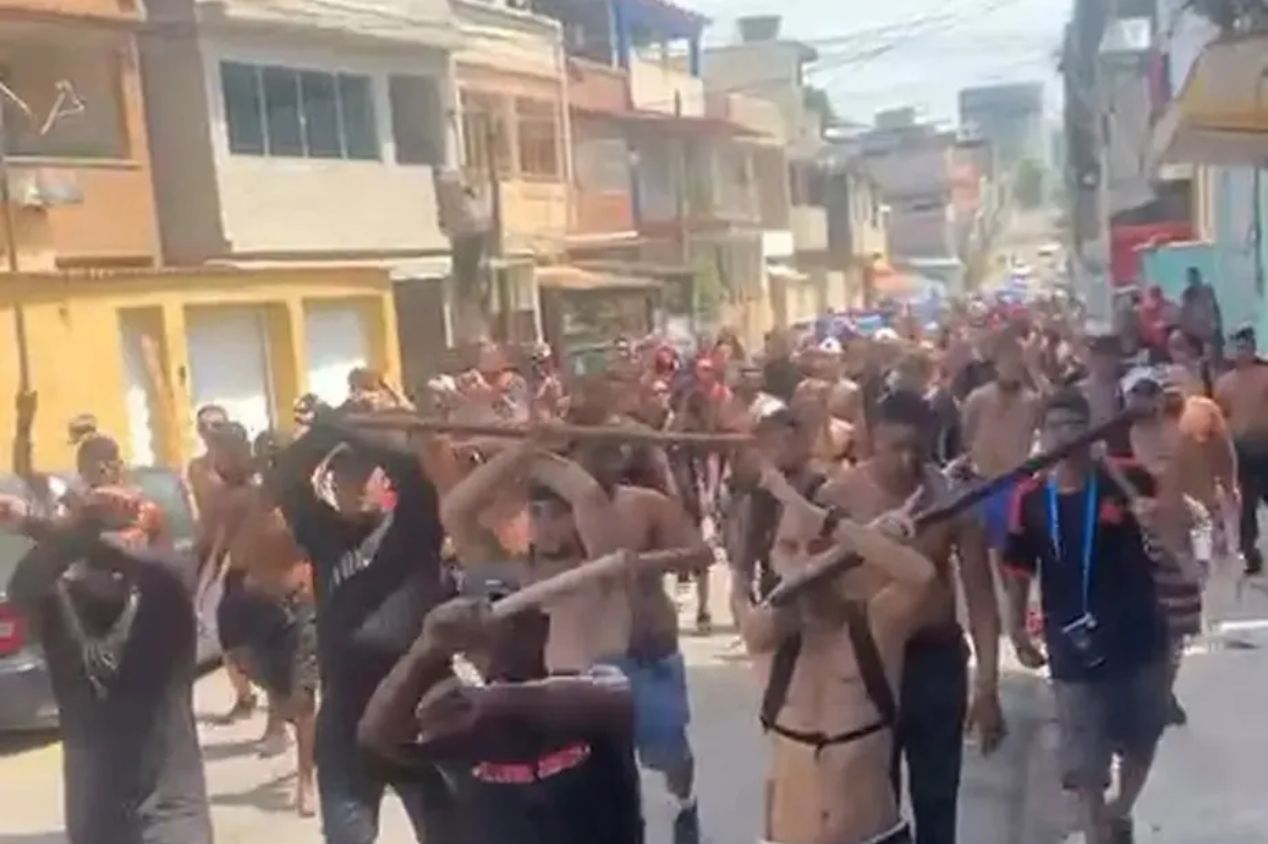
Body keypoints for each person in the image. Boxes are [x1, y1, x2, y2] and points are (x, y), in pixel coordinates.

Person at [819, 391, 1003, 844]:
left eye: (915, 450)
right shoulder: (838, 497)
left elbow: (981, 597)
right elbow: (814, 590)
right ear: (871, 439)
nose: (905, 461)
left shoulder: (950, 499)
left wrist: (988, 685)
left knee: (938, 797)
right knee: (873, 804)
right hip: (868, 664)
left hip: (935, 662)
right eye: (894, 447)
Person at [730, 452, 936, 844]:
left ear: (840, 550)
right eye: (790, 547)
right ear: (772, 556)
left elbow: (921, 577)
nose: (806, 562)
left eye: (818, 545)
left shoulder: (875, 626)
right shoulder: (766, 637)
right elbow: (743, 591)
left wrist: (835, 525)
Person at [275, 408, 459, 844]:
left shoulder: (415, 527)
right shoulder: (324, 535)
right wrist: (325, 432)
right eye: (341, 476)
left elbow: (411, 471)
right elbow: (286, 481)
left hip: (421, 718)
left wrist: (365, 435)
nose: (352, 484)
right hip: (347, 724)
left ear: (385, 482)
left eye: (363, 474)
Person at [357, 572, 644, 844]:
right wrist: (426, 650)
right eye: (477, 633)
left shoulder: (594, 694)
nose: (494, 638)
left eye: (509, 621)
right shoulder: (462, 729)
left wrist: (489, 701)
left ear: (541, 628)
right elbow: (376, 736)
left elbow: (615, 700)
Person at [1003, 388, 1172, 844]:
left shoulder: (1128, 476)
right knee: (1084, 761)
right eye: (1055, 427)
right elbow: (1018, 569)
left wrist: (1151, 511)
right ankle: (1098, 831)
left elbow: (1173, 525)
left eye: (1075, 425)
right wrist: (1016, 625)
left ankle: (1121, 811)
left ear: (1090, 428)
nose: (1066, 436)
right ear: (1042, 436)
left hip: (1140, 636)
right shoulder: (1030, 498)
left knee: (1143, 735)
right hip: (1071, 644)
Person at [1, 490, 212, 844]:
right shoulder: (61, 611)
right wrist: (77, 526)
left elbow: (161, 570)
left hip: (172, 818)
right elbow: (26, 584)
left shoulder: (165, 607)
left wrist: (50, 525)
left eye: (123, 530)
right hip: (96, 823)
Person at [198, 421, 319, 814]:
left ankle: (306, 779)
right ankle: (277, 716)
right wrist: (201, 590)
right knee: (253, 670)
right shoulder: (240, 501)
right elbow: (215, 549)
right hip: (256, 604)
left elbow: (321, 554)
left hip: (299, 605)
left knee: (302, 700)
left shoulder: (308, 503)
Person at [961, 337, 1043, 556]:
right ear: (996, 365)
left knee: (1017, 555)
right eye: (1007, 362)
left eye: (1017, 363)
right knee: (992, 551)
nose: (1011, 368)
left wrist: (1035, 371)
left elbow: (1050, 415)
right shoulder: (978, 399)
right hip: (984, 483)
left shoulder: (1032, 401)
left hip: (1017, 485)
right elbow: (966, 435)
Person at [1214, 326, 1268, 575]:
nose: (1242, 352)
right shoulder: (1224, 383)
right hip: (1240, 451)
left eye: (1246, 346)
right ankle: (1249, 552)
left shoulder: (1265, 375)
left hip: (1265, 446)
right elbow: (1220, 417)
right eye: (1238, 347)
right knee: (1245, 505)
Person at [1079, 335, 1133, 457]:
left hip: (1117, 455)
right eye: (1102, 357)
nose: (1108, 363)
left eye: (1112, 358)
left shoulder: (1126, 388)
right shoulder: (1079, 391)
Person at [1178, 267, 1223, 364]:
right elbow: (1183, 314)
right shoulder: (1187, 293)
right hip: (1195, 332)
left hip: (1208, 329)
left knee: (1214, 357)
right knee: (1199, 359)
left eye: (1194, 277)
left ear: (1199, 276)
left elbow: (1215, 306)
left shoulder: (1207, 288)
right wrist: (1184, 331)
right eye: (1190, 278)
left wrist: (1218, 324)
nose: (1193, 280)